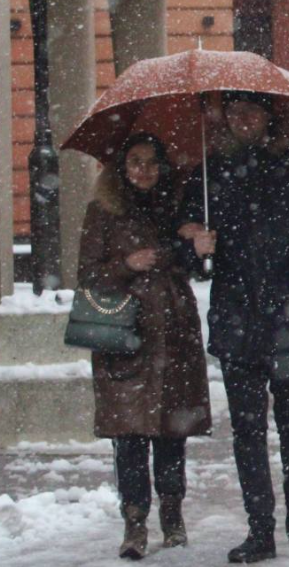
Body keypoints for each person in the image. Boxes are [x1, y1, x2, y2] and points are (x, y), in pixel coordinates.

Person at [180, 91, 289, 563]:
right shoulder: (210, 173)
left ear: (270, 116)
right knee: (247, 429)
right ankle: (260, 527)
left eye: (252, 111)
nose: (243, 120)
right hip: (236, 315)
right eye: (234, 112)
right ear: (225, 118)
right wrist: (196, 243)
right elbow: (183, 239)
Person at [78, 133, 211, 559]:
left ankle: (172, 514)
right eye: (135, 162)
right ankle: (134, 521)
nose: (144, 171)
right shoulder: (102, 212)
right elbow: (87, 274)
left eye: (152, 163)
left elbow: (193, 265)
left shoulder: (175, 209)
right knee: (129, 434)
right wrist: (125, 265)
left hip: (173, 332)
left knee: (172, 431)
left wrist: (197, 244)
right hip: (125, 334)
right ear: (121, 167)